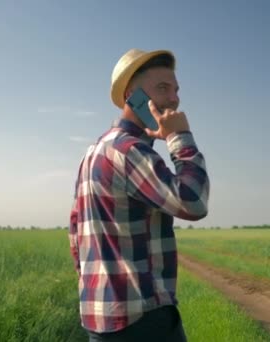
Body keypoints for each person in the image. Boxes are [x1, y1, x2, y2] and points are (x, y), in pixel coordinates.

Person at [68, 48, 210, 342]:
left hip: (101, 319)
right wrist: (179, 137)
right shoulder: (130, 151)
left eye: (176, 89)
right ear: (132, 95)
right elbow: (193, 202)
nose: (174, 98)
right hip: (142, 321)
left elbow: (75, 234)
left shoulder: (92, 152)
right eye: (162, 88)